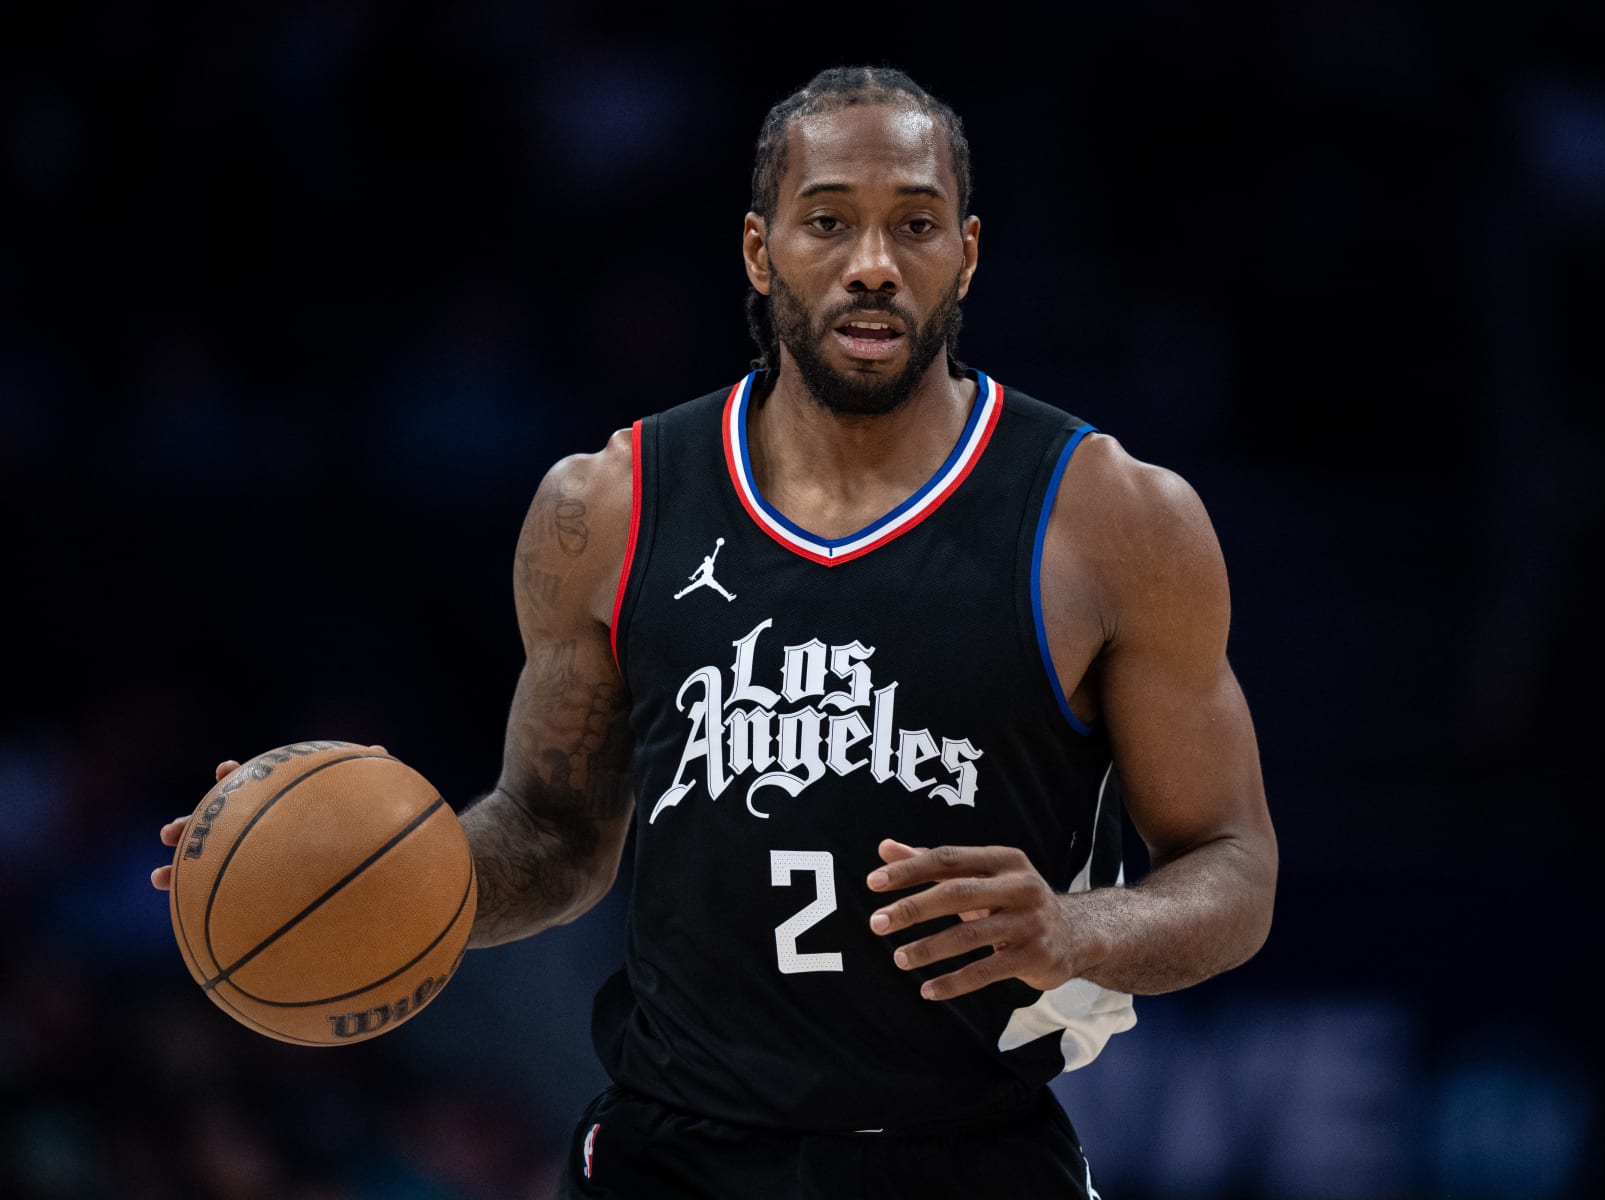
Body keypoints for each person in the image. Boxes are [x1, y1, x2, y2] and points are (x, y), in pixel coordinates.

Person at [154, 65, 1278, 1199]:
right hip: (673, 1155)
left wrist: (1074, 933)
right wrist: (356, 868)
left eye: (916, 224)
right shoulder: (607, 507)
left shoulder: (1115, 518)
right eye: (829, 220)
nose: (873, 263)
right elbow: (552, 836)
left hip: (970, 1154)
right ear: (759, 250)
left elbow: (1233, 867)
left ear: (968, 254)